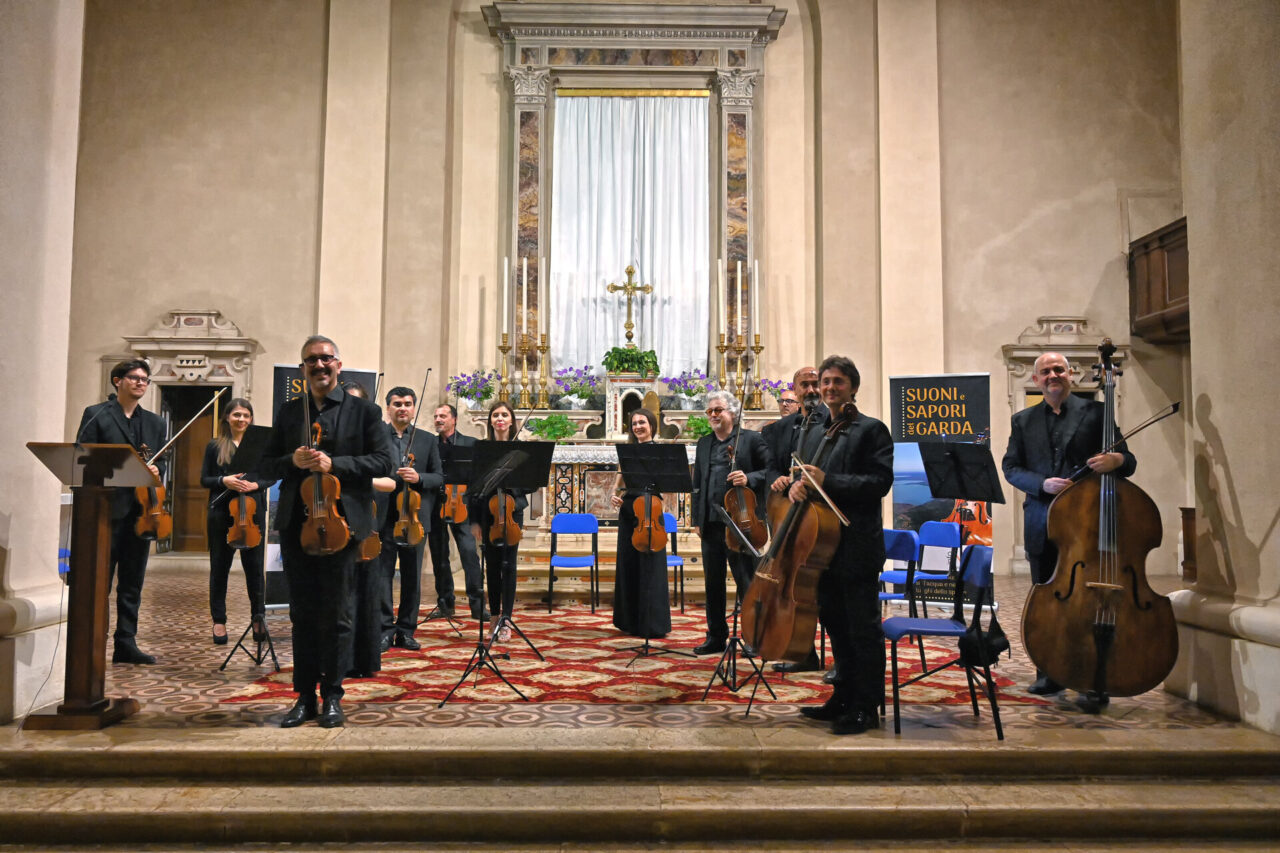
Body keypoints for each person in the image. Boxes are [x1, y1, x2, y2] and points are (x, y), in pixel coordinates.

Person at [258, 336, 393, 728]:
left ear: (338, 364)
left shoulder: (365, 412)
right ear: (303, 369)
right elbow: (267, 464)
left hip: (343, 526)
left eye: (326, 359)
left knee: (338, 614)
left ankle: (332, 694)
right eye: (311, 360)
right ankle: (303, 696)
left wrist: (336, 463)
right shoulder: (288, 413)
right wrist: (292, 459)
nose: (319, 365)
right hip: (298, 526)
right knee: (301, 614)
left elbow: (384, 461)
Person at [1001, 350, 1135, 705]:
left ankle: (1092, 677)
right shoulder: (1022, 421)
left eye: (1058, 369)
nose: (1052, 376)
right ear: (1036, 380)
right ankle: (1049, 672)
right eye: (1045, 371)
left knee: (1088, 605)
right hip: (1041, 522)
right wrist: (1042, 484)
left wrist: (1116, 459)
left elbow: (1129, 461)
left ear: (1071, 374)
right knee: (1048, 604)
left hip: (1085, 525)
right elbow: (1011, 467)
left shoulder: (1097, 413)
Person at [790, 355, 894, 735]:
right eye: (825, 381)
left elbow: (878, 483)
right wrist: (801, 485)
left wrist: (827, 480)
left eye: (837, 381)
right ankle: (842, 697)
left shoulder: (871, 430)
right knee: (835, 625)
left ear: (853, 386)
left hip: (856, 546)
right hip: (821, 548)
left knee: (862, 629)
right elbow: (808, 477)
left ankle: (866, 705)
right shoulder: (817, 430)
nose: (829, 388)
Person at [75, 359, 168, 665]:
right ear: (118, 381)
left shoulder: (155, 423)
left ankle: (125, 642)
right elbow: (83, 457)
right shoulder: (98, 414)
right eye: (134, 378)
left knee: (132, 582)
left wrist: (156, 468)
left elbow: (162, 462)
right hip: (107, 509)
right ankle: (93, 638)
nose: (141, 383)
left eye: (145, 379)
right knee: (101, 579)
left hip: (143, 511)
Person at [690, 390, 770, 655]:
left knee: (746, 582)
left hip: (741, 522)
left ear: (733, 413)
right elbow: (698, 484)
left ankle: (752, 637)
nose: (713, 415)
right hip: (711, 523)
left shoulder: (752, 440)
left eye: (718, 410)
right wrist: (696, 519)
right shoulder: (704, 443)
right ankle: (715, 637)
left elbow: (771, 470)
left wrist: (749, 478)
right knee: (713, 584)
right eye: (710, 411)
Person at [763, 366, 829, 675]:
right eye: (805, 384)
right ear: (795, 389)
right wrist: (777, 478)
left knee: (826, 592)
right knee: (795, 589)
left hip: (822, 520)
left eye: (817, 383)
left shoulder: (835, 422)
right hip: (790, 519)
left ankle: (842, 661)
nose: (812, 389)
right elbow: (771, 467)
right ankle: (804, 652)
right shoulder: (780, 429)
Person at [200, 398, 274, 647]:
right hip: (222, 514)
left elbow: (271, 476)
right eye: (236, 415)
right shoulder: (215, 446)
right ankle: (218, 620)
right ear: (227, 418)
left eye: (246, 415)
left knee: (254, 571)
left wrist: (257, 485)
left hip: (252, 515)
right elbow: (205, 479)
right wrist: (224, 481)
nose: (241, 420)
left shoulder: (260, 445)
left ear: (251, 419)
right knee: (219, 569)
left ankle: (258, 617)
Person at [377, 386, 443, 651]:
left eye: (407, 403)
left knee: (412, 577)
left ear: (414, 408)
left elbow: (439, 477)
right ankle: (384, 630)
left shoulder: (427, 439)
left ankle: (406, 631)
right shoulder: (377, 437)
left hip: (415, 519)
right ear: (388, 408)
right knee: (382, 576)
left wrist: (420, 478)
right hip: (383, 516)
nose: (402, 407)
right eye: (397, 403)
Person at [468, 401, 528, 643]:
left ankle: (507, 619)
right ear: (490, 420)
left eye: (504, 414)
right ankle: (494, 616)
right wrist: (474, 521)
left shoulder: (521, 450)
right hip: (487, 513)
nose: (500, 418)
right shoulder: (481, 450)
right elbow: (472, 488)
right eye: (495, 415)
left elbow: (530, 485)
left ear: (511, 420)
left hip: (512, 513)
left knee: (509, 566)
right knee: (491, 567)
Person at [610, 408, 671, 639]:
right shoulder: (627, 451)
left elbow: (666, 483)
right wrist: (616, 494)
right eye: (634, 423)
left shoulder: (662, 451)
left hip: (651, 510)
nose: (638, 427)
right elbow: (620, 477)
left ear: (652, 425)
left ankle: (653, 623)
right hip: (630, 511)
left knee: (652, 566)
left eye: (642, 422)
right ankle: (629, 621)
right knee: (629, 565)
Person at [428, 403, 488, 621]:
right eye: (436, 416)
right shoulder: (430, 444)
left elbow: (478, 478)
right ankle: (445, 604)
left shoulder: (470, 444)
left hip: (463, 506)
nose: (438, 419)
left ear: (454, 419)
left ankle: (478, 606)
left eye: (443, 416)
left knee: (469, 554)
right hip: (437, 505)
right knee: (439, 556)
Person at [343, 381, 387, 679]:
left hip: (361, 517)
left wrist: (357, 478)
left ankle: (363, 658)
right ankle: (338, 659)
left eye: (357, 402)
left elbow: (390, 478)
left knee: (364, 591)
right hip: (331, 519)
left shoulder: (374, 434)